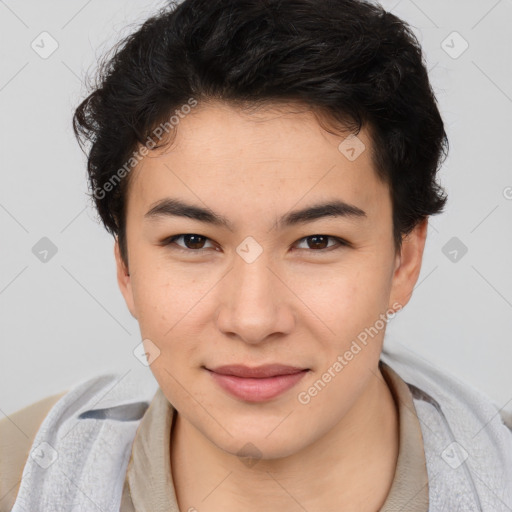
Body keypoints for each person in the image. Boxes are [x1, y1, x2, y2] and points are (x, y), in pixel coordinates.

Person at [2, 0, 511, 510]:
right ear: (126, 268)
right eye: (192, 241)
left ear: (404, 261)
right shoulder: (17, 474)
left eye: (318, 241)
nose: (253, 320)